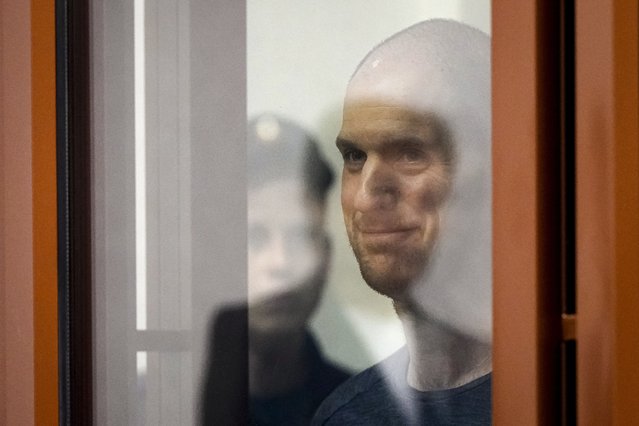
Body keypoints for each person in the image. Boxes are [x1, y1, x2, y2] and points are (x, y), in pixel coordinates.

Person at [312, 19, 492, 425]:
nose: (364, 196)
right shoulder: (348, 417)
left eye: (411, 153)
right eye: (355, 156)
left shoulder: (575, 394)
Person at [200, 114, 350, 426]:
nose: (280, 262)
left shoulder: (365, 409)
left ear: (327, 258)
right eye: (254, 236)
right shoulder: (160, 400)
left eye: (300, 236)